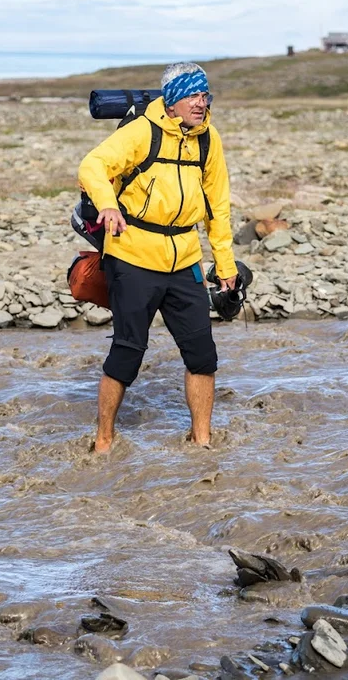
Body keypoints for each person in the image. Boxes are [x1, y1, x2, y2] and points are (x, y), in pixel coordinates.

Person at [78, 62, 238, 454]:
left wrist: (226, 264)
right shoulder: (142, 132)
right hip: (132, 254)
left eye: (205, 96)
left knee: (203, 355)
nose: (201, 103)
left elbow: (218, 204)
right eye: (193, 96)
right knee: (128, 352)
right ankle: (104, 441)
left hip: (185, 259)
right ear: (172, 100)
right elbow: (92, 166)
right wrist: (107, 204)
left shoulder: (208, 139)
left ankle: (201, 441)